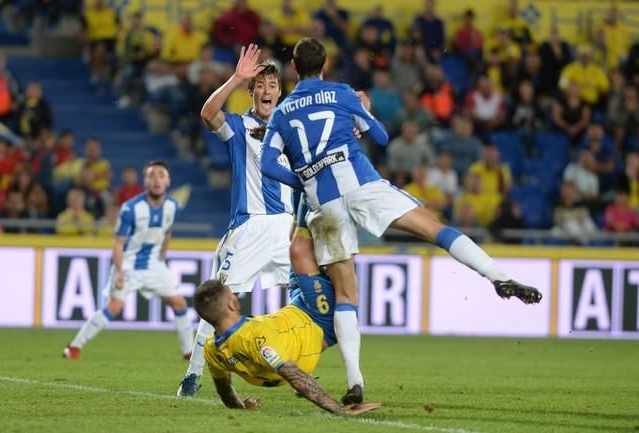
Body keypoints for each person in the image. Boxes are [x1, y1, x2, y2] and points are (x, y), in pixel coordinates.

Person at [261, 37, 542, 405]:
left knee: (347, 293)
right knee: (436, 229)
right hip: (360, 183)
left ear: (294, 68)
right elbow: (381, 135)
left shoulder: (282, 112)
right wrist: (364, 111)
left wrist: (303, 178)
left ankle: (355, 382)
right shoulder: (344, 93)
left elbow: (268, 165)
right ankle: (497, 276)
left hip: (323, 203)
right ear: (325, 64)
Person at [176, 45, 293, 396]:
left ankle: (293, 364)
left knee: (315, 291)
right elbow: (209, 111)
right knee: (220, 302)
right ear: (252, 92)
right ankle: (194, 375)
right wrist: (236, 77)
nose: (267, 89)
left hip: (288, 228)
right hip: (250, 228)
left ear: (280, 92)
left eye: (272, 84)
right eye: (260, 85)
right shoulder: (241, 128)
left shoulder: (292, 132)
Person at [195, 197, 380, 414]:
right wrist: (340, 410)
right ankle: (315, 195)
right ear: (231, 306)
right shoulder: (258, 338)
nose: (237, 296)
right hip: (319, 319)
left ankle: (305, 197)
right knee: (304, 250)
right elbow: (296, 377)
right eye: (232, 295)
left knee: (294, 239)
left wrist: (240, 407)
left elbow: (225, 391)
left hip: (297, 306)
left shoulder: (211, 348)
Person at [62, 161, 193, 360]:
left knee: (179, 303)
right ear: (145, 181)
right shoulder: (131, 209)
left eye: (161, 175)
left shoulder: (172, 206)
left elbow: (167, 232)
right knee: (114, 306)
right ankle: (74, 346)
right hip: (129, 263)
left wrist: (162, 259)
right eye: (152, 175)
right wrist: (120, 271)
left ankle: (188, 352)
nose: (156, 179)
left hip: (153, 264)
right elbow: (118, 243)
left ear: (167, 181)